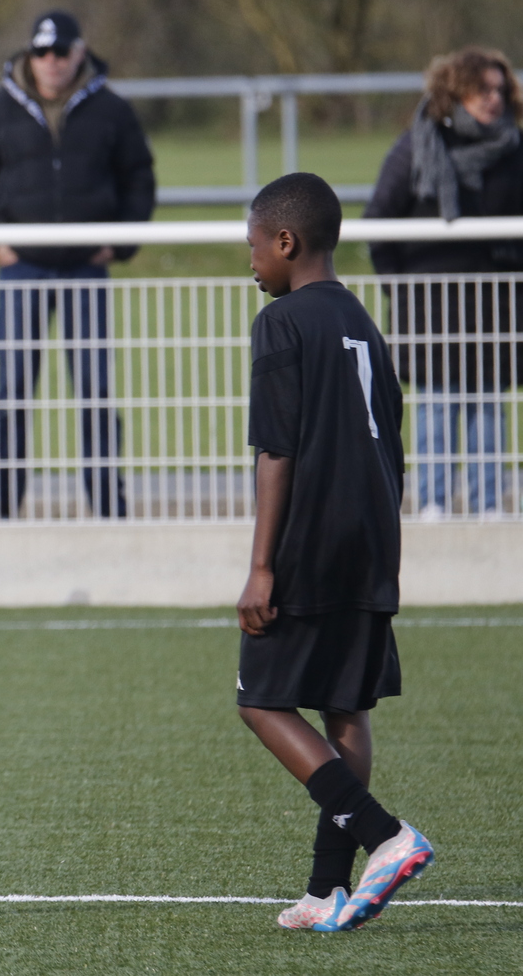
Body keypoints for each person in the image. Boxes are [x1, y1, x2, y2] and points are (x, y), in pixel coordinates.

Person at [237, 172, 434, 933]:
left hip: (311, 539)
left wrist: (262, 567)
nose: (251, 260)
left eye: (255, 244)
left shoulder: (282, 322)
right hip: (373, 537)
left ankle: (385, 835)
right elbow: (393, 438)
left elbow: (276, 449)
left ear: (286, 241)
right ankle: (327, 888)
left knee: (260, 700)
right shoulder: (363, 322)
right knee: (345, 705)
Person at [0, 10, 156, 519]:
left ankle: (107, 505)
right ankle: (1, 504)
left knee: (95, 389)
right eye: (41, 52)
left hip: (86, 268)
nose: (51, 62)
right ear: (30, 54)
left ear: (79, 53)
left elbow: (139, 178)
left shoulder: (111, 109)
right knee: (12, 389)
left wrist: (119, 244)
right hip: (20, 269)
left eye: (61, 52)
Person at [364, 46, 523, 517]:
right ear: (455, 91)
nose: (494, 99)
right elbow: (379, 220)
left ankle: (488, 505)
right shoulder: (417, 145)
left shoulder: (514, 149)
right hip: (430, 302)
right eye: (482, 89)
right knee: (436, 401)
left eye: (500, 90)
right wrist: (399, 289)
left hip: (496, 302)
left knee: (488, 402)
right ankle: (433, 504)